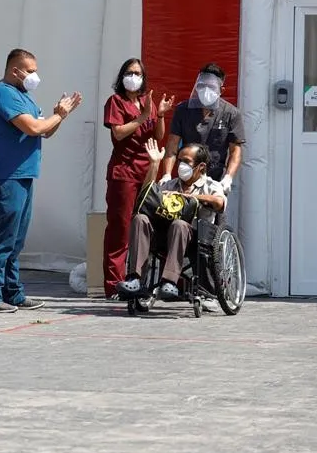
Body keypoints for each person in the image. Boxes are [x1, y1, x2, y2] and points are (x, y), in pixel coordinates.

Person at [0, 48, 82, 313]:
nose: (35, 75)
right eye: (30, 70)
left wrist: (59, 115)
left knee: (16, 239)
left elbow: (45, 132)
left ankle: (12, 293)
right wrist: (58, 116)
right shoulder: (1, 94)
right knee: (2, 237)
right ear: (15, 70)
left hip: (23, 174)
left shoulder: (25, 97)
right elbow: (33, 127)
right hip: (6, 176)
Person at [117, 139, 226, 300]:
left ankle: (169, 282)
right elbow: (146, 196)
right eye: (180, 161)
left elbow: (219, 202)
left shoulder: (211, 185)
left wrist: (187, 197)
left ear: (201, 167)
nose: (181, 165)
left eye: (186, 162)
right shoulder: (170, 185)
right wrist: (154, 164)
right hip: (164, 236)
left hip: (194, 240)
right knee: (140, 218)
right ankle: (135, 278)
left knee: (180, 225)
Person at [101, 58, 173, 298]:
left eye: (138, 73)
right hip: (124, 172)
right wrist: (141, 118)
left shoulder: (147, 101)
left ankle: (141, 279)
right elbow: (118, 133)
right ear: (122, 76)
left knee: (146, 224)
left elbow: (159, 135)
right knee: (120, 229)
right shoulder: (116, 101)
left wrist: (159, 115)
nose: (134, 77)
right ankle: (114, 285)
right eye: (129, 73)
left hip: (148, 170)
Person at [161, 63, 245, 195]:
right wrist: (166, 175)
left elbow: (235, 151)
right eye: (202, 85)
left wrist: (228, 177)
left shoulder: (231, 113)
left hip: (215, 179)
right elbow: (172, 146)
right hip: (187, 176)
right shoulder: (183, 110)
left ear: (221, 90)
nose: (205, 90)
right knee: (182, 211)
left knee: (214, 211)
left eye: (211, 87)